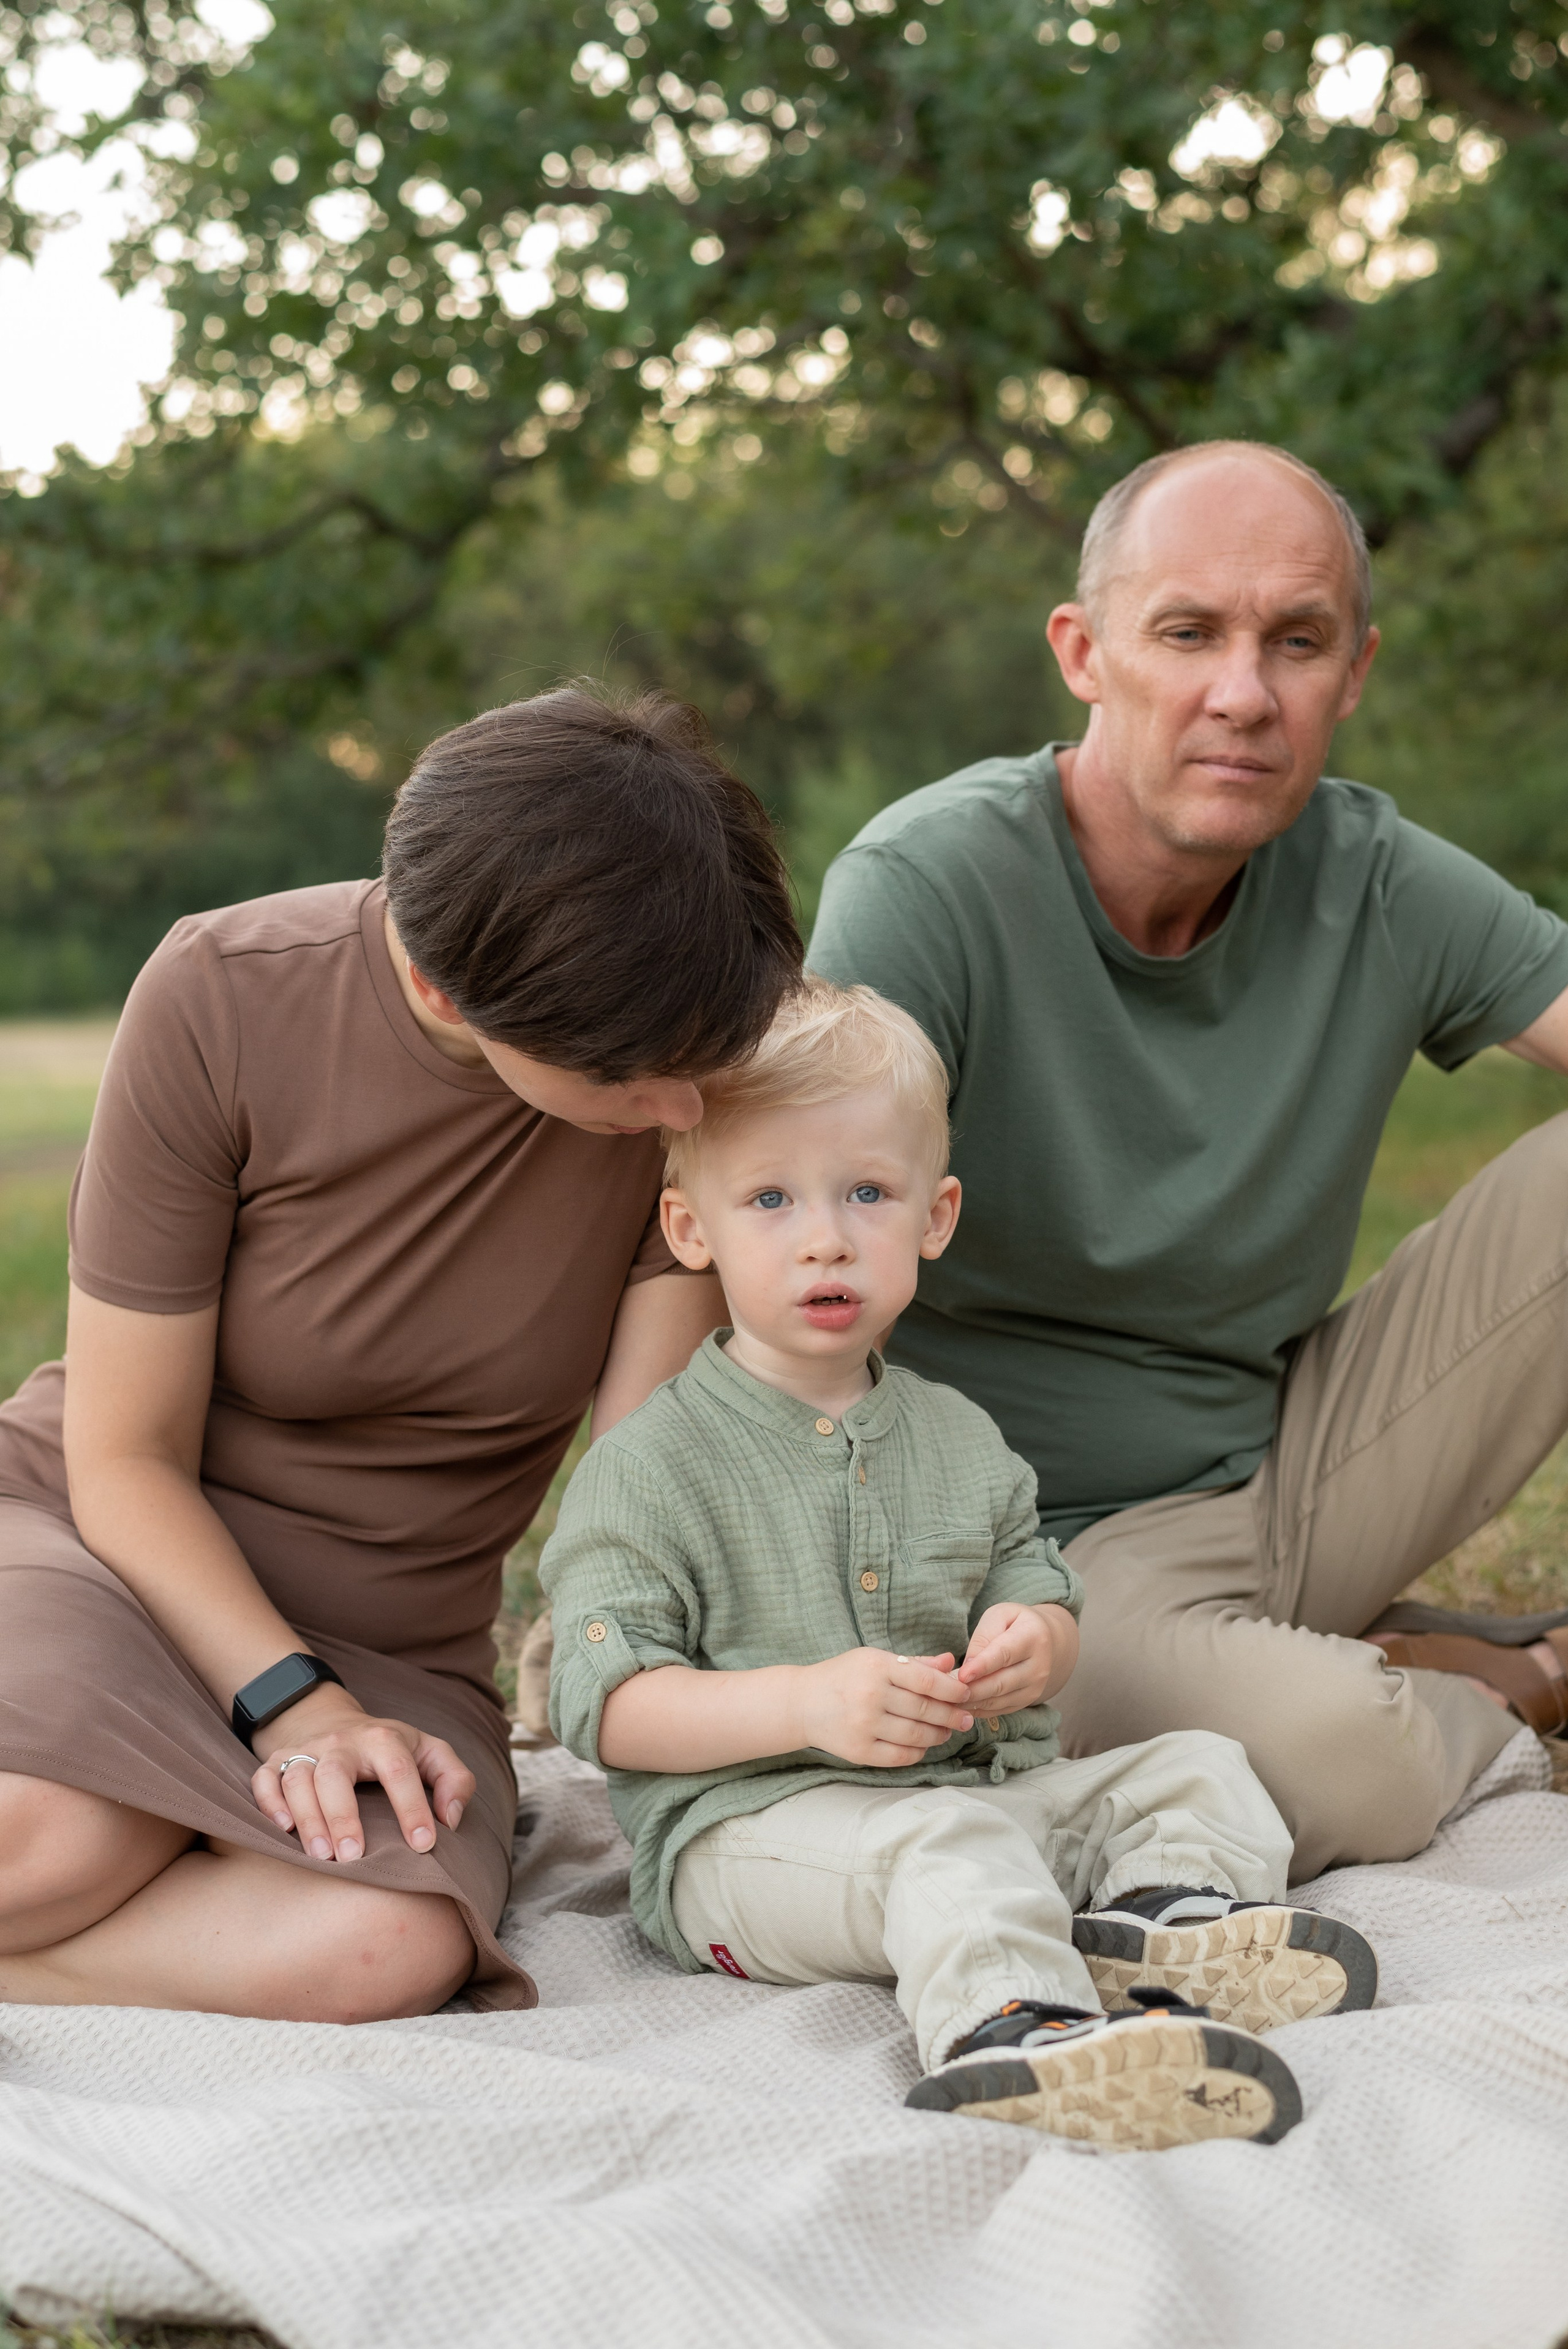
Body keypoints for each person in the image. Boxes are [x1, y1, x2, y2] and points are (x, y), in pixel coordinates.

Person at [807, 439, 1568, 1881]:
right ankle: (1506, 1681)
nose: (1242, 693)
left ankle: (1301, 1647)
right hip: (1029, 1553)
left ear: (1351, 672)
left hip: (1291, 1464)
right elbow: (780, 1247)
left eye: (1296, 642)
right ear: (1081, 652)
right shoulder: (928, 889)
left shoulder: (1374, 876)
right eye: (1186, 634)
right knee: (1349, 1759)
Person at [0, 685, 801, 2020]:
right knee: (53, 1843)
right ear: (439, 984)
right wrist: (288, 1706)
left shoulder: (682, 1054)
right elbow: (124, 1455)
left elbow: (637, 1490)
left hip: (395, 1638)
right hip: (109, 1540)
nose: (687, 1110)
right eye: (633, 1079)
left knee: (389, 1950)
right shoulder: (221, 997)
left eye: (704, 1056)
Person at [541, 979, 1376, 2150]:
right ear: (693, 1230)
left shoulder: (957, 1435)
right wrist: (804, 1702)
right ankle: (1012, 2034)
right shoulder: (652, 1466)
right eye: (770, 1198)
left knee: (1195, 1766)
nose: (825, 1235)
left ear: (934, 1219)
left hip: (965, 1802)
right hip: (748, 1844)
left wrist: (1036, 1647)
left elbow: (1033, 1585)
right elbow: (601, 1706)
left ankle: (1154, 1934)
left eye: (866, 1194)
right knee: (947, 1850)